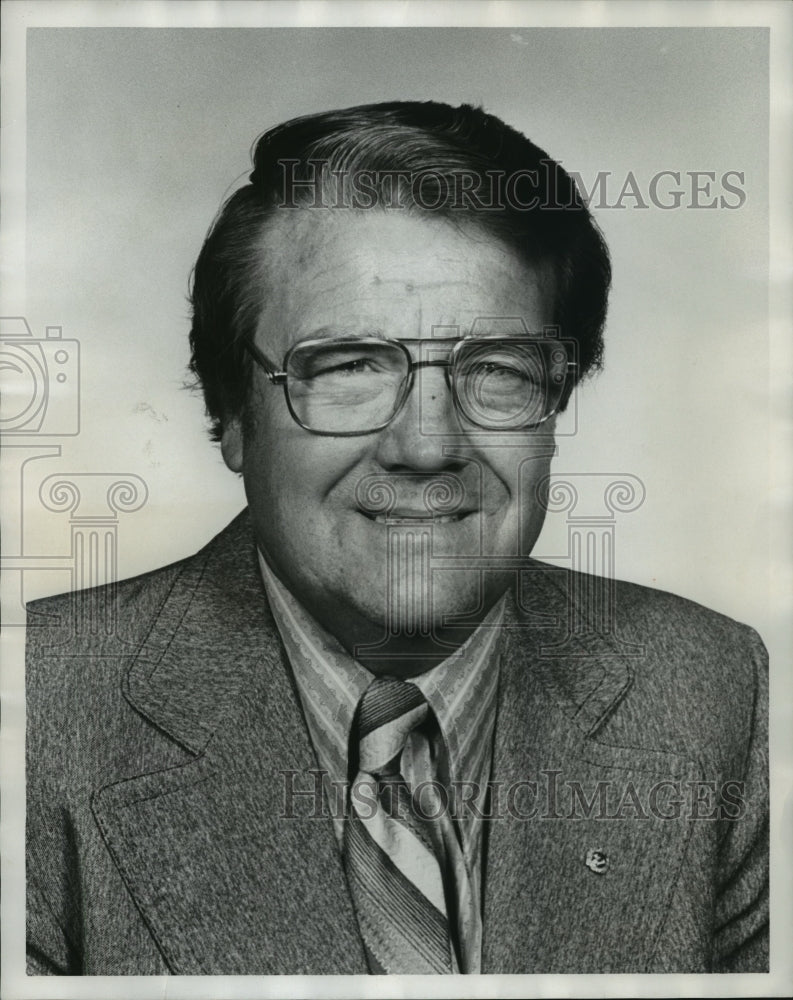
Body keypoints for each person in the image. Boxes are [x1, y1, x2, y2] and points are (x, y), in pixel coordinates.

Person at [26, 101, 768, 976]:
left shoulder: (708, 687)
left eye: (495, 369)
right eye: (348, 367)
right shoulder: (34, 713)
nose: (426, 445)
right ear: (231, 413)